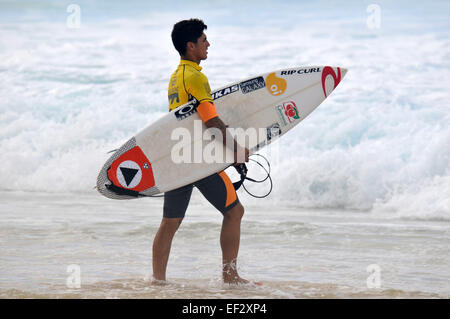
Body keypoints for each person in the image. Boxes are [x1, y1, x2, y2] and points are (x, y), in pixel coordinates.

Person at [152, 18, 251, 284]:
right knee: (234, 212)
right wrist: (236, 150)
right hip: (196, 160)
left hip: (178, 157)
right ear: (191, 45)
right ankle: (230, 276)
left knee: (169, 223)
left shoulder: (176, 78)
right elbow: (211, 121)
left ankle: (158, 281)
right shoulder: (196, 77)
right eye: (204, 40)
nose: (209, 44)